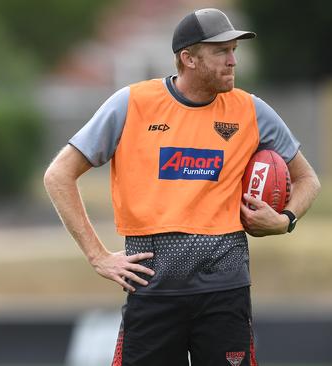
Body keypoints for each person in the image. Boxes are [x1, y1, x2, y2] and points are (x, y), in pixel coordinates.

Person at [44, 8, 320, 366]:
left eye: (234, 50)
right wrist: (98, 256)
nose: (233, 61)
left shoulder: (251, 111)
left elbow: (307, 179)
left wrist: (285, 220)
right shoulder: (132, 104)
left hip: (225, 291)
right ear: (188, 58)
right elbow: (58, 175)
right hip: (153, 290)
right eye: (221, 51)